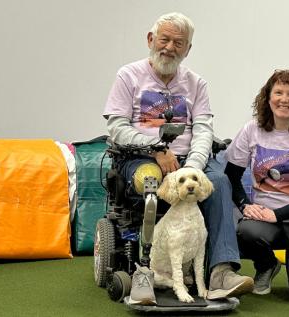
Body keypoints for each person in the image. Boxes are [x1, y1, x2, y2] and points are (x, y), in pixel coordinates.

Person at [102, 12, 253, 302]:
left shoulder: (197, 84)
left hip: (188, 160)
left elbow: (204, 130)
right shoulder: (129, 75)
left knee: (219, 182)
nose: (170, 47)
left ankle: (221, 272)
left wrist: (190, 172)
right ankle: (145, 271)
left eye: (178, 43)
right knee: (150, 180)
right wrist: (156, 148)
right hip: (141, 156)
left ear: (188, 49)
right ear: (151, 40)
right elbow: (117, 128)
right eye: (165, 39)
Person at [224, 69, 289, 305]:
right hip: (264, 221)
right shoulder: (251, 130)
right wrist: (245, 205)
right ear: (268, 97)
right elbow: (231, 175)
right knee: (245, 229)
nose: (284, 99)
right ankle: (266, 265)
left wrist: (277, 214)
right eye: (279, 92)